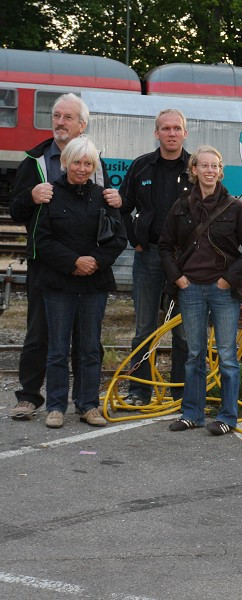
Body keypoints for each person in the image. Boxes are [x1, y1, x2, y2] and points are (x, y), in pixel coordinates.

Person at [8, 93, 122, 421]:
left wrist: (117, 200)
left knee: (87, 343)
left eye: (67, 117)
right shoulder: (35, 161)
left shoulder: (94, 162)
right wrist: (30, 196)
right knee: (40, 334)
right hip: (47, 265)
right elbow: (17, 211)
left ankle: (86, 402)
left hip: (90, 272)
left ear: (81, 125)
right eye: (56, 115)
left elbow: (108, 217)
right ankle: (30, 397)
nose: (59, 122)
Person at [159, 145, 242, 436]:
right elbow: (164, 246)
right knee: (194, 355)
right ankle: (192, 414)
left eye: (214, 166)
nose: (209, 171)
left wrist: (228, 279)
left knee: (227, 356)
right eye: (203, 166)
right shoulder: (180, 207)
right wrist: (177, 278)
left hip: (222, 291)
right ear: (193, 171)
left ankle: (228, 417)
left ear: (220, 170)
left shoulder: (235, 208)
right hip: (190, 289)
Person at [32, 136, 127, 428]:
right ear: (65, 163)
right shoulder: (49, 195)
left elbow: (119, 238)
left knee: (89, 347)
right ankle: (56, 407)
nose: (82, 168)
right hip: (59, 283)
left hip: (93, 284)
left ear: (94, 166)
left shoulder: (104, 196)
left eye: (88, 163)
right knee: (58, 347)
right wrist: (73, 261)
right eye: (77, 162)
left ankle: (88, 405)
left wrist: (94, 261)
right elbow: (41, 239)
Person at [119, 109, 191, 406]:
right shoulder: (141, 167)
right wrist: (135, 240)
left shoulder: (196, 167)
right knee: (144, 328)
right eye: (165, 128)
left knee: (184, 331)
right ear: (156, 133)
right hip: (148, 257)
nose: (171, 133)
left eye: (176, 128)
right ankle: (139, 390)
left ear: (184, 133)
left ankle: (181, 391)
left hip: (185, 260)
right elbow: (122, 206)